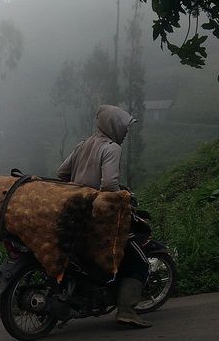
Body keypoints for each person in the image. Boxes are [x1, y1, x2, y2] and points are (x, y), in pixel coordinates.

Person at [56, 104, 152, 328]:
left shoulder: (83, 145)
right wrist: (119, 193)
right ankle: (127, 311)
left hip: (75, 214)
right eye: (124, 127)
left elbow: (61, 173)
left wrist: (80, 185)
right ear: (114, 125)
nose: (126, 132)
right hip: (100, 217)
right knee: (137, 259)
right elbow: (109, 183)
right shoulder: (111, 148)